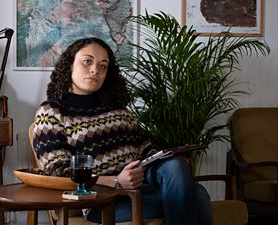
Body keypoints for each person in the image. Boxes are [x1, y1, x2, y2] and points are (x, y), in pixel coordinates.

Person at [32, 37, 213, 225]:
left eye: (103, 66)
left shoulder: (118, 110)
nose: (95, 69)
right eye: (87, 61)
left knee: (176, 166)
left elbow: (146, 149)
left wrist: (172, 158)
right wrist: (116, 181)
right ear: (69, 65)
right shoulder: (52, 112)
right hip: (101, 201)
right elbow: (57, 172)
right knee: (197, 196)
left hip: (143, 188)